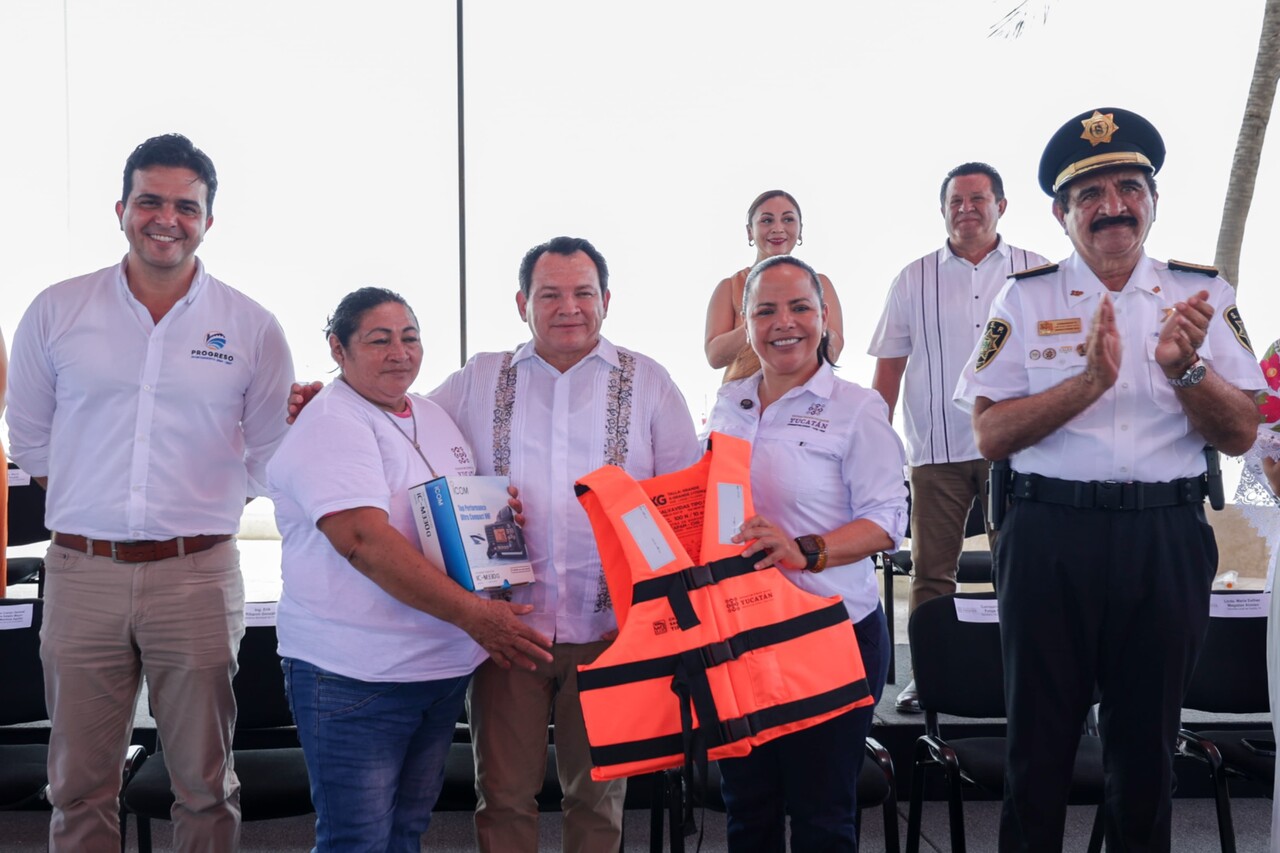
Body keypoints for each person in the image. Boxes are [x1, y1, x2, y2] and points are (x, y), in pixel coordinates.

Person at [955, 107, 1264, 851]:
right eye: (1089, 194)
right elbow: (990, 433)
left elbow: (1240, 432)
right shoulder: (1024, 298)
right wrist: (1086, 384)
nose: (1112, 206)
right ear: (1061, 215)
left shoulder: (1203, 295)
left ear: (1152, 202)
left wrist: (1185, 369)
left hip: (1164, 538)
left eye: (1129, 188)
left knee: (1146, 755)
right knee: (1039, 751)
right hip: (1048, 538)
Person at [6, 133, 297, 852]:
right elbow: (32, 438)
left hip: (197, 575)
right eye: (150, 201)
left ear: (207, 219)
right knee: (78, 785)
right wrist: (96, 507)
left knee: (205, 785)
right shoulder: (57, 309)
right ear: (121, 209)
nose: (166, 219)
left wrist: (199, 507)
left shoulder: (251, 326)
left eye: (185, 207)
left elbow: (270, 455)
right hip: (82, 573)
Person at [428, 237, 701, 852]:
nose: (568, 307)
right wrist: (327, 398)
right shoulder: (479, 378)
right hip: (508, 631)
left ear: (606, 300)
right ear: (522, 303)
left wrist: (657, 621)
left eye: (583, 293)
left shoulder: (649, 382)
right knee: (502, 797)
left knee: (599, 798)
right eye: (550, 294)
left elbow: (684, 504)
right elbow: (404, 430)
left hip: (611, 633)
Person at [267, 287, 553, 852]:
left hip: (435, 670)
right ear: (338, 348)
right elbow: (363, 542)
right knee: (358, 840)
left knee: (407, 830)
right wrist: (478, 617)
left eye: (410, 337)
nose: (399, 352)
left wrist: (496, 515)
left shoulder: (430, 413)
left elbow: (450, 510)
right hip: (356, 675)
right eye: (379, 340)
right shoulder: (331, 422)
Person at [706, 254, 907, 850]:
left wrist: (804, 550)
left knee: (821, 815)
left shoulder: (857, 407)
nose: (783, 322)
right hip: (743, 636)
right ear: (747, 324)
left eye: (799, 307)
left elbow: (888, 523)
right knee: (748, 811)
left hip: (830, 633)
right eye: (765, 310)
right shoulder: (730, 402)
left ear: (823, 319)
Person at [868, 162, 1048, 713]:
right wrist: (875, 449)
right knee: (931, 574)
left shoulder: (1037, 272)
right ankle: (931, 677)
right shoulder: (913, 278)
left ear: (1001, 206)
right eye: (956, 202)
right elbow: (890, 368)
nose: (966, 210)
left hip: (1017, 453)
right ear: (943, 210)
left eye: (978, 199)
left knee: (1023, 569)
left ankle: (1030, 677)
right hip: (935, 453)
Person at [705, 190, 845, 382]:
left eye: (788, 219)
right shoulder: (729, 287)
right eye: (767, 220)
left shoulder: (819, 284)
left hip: (806, 396)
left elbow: (833, 351)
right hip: (742, 399)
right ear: (750, 231)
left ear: (800, 230)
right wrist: (757, 323)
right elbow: (714, 357)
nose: (778, 228)